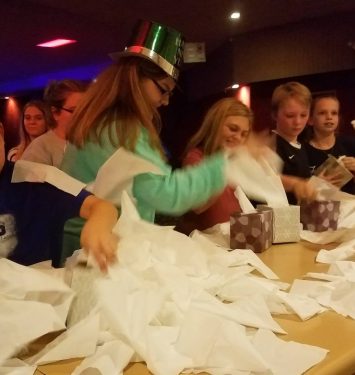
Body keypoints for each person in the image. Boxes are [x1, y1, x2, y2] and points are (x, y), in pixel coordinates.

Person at [60, 20, 230, 259]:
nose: (166, 101)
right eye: (163, 89)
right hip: (96, 252)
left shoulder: (103, 121)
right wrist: (230, 163)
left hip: (85, 246)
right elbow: (170, 195)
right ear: (134, 77)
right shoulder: (120, 128)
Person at [0, 122, 118, 271]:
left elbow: (101, 207)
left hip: (38, 288)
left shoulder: (37, 179)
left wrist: (98, 226)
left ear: (2, 133)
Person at [176, 98, 252, 234]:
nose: (238, 138)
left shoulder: (232, 161)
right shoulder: (195, 158)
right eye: (233, 129)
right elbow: (198, 205)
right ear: (215, 124)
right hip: (203, 246)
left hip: (230, 243)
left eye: (244, 134)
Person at [21, 79, 88, 167]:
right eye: (74, 110)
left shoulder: (90, 142)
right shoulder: (38, 149)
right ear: (55, 113)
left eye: (85, 109)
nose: (82, 115)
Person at [271, 81, 316, 204]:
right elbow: (265, 179)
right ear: (275, 114)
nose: (298, 122)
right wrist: (295, 184)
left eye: (303, 115)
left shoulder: (300, 145)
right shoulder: (271, 143)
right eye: (290, 116)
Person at [304, 94, 355, 194]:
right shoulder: (302, 151)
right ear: (310, 120)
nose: (329, 117)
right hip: (317, 207)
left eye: (334, 113)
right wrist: (315, 183)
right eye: (322, 113)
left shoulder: (350, 144)